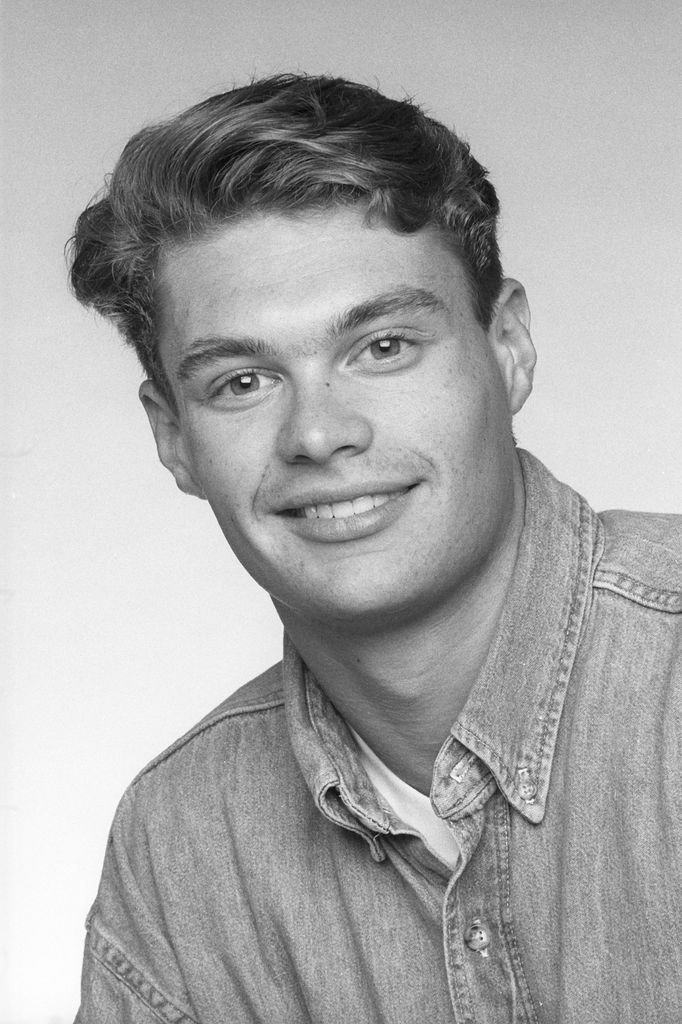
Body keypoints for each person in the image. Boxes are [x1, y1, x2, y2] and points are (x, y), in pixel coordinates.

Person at [68, 74, 682, 1023]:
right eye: (242, 380)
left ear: (509, 345)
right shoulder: (182, 844)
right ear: (173, 438)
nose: (319, 433)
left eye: (384, 346)